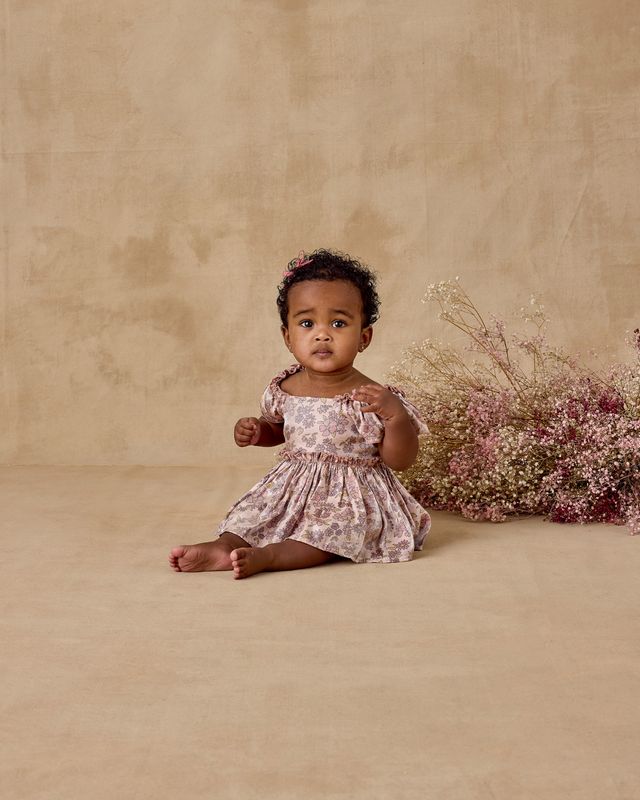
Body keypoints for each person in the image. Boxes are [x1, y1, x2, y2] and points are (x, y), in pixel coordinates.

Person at [169, 248, 431, 579]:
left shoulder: (373, 398)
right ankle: (225, 546)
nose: (322, 334)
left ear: (364, 337)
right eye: (307, 323)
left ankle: (271, 557)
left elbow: (399, 460)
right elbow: (280, 429)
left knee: (326, 531)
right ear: (288, 337)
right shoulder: (287, 387)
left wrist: (395, 419)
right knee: (254, 513)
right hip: (292, 486)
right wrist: (258, 432)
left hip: (348, 496)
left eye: (338, 323)